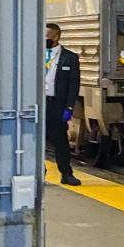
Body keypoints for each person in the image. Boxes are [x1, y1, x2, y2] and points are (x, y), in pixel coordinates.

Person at [45, 22, 81, 186]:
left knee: (60, 140)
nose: (45, 39)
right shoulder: (34, 55)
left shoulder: (70, 58)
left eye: (48, 36)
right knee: (35, 140)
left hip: (56, 103)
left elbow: (73, 85)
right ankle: (39, 172)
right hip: (38, 102)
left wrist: (69, 107)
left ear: (57, 37)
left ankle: (66, 173)